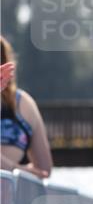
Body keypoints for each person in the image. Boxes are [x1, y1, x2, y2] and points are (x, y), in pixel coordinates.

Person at [0, 36, 53, 178]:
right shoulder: (25, 103)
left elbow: (44, 171)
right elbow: (43, 171)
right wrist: (20, 170)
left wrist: (16, 170)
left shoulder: (24, 104)